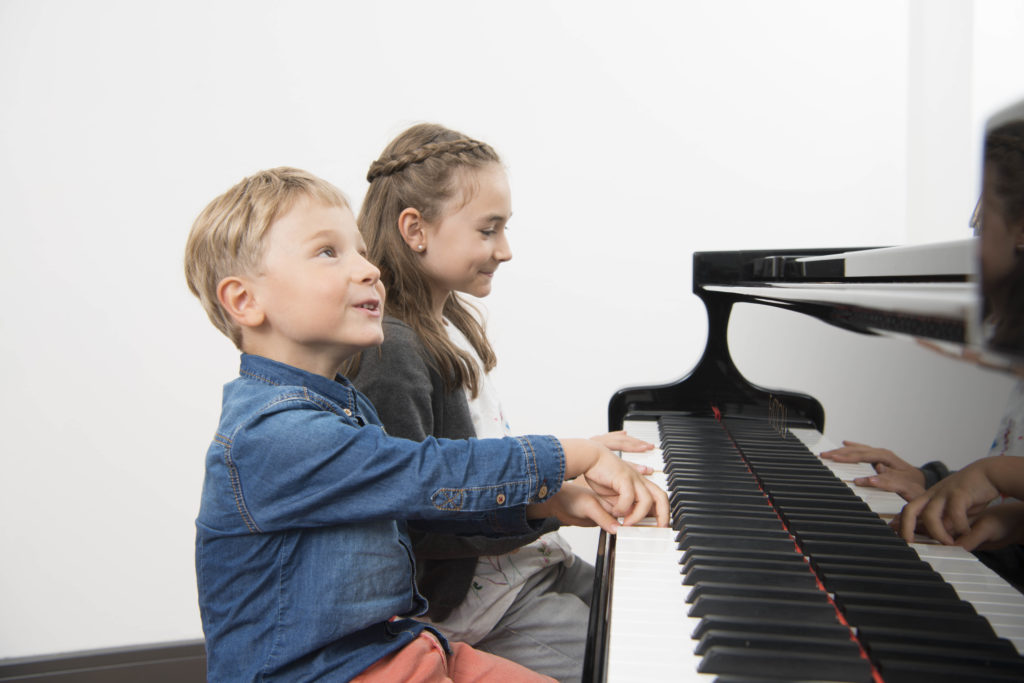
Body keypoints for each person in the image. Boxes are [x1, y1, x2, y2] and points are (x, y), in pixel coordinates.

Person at [183, 166, 668, 682]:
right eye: (328, 252)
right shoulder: (271, 434)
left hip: (394, 646)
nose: (368, 269)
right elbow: (430, 473)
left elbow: (423, 504)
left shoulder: (340, 404)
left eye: (361, 251)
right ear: (245, 301)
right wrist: (575, 454)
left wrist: (549, 501)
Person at [343, 123, 651, 682]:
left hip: (527, 563)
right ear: (415, 229)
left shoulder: (447, 319)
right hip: (481, 601)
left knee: (656, 611)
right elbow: (415, 514)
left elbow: (473, 452)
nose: (505, 251)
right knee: (640, 664)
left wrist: (572, 459)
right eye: (489, 230)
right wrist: (552, 496)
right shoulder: (392, 352)